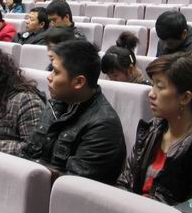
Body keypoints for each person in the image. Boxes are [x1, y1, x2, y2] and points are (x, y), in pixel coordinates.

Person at [117, 53, 192, 204]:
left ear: (185, 97)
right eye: (152, 85)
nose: (151, 93)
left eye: (160, 87)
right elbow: (126, 181)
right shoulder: (153, 128)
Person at [22, 40, 126, 183]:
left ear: (78, 82)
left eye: (56, 72)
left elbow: (74, 186)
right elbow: (28, 152)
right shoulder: (56, 104)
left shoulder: (103, 125)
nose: (49, 77)